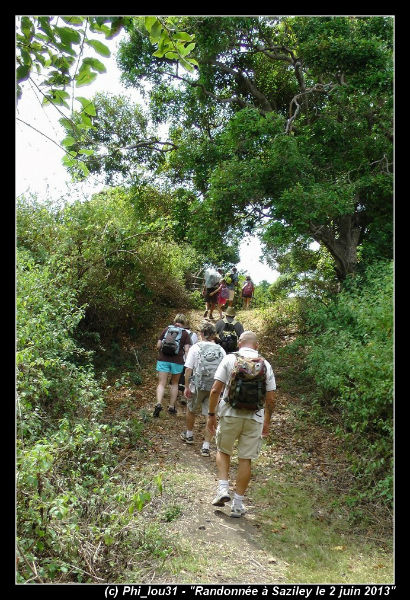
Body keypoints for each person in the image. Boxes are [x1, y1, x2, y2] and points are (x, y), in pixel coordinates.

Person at [207, 331, 276, 517]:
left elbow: (215, 390)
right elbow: (270, 399)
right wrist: (267, 422)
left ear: (239, 343)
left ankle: (223, 489)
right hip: (255, 417)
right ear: (257, 345)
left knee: (223, 450)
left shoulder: (230, 359)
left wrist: (211, 414)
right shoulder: (266, 365)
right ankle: (237, 504)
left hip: (230, 414)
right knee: (245, 459)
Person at [181, 322, 226, 456]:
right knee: (210, 414)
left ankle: (189, 435)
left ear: (201, 334)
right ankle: (206, 446)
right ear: (213, 335)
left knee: (191, 409)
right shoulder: (220, 350)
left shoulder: (196, 347)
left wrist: (186, 386)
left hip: (198, 385)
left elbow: (188, 368)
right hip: (214, 388)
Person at [153, 314, 192, 417]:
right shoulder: (185, 334)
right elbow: (187, 350)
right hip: (177, 361)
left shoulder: (167, 329)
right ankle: (171, 407)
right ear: (184, 323)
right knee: (174, 384)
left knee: (161, 383)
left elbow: (158, 345)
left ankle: (158, 403)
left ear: (175, 321)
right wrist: (188, 363)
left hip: (163, 359)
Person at [178, 322, 199, 405]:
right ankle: (183, 395)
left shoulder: (179, 332)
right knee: (186, 376)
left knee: (177, 377)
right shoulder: (193, 335)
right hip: (188, 359)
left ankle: (176, 393)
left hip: (179, 358)